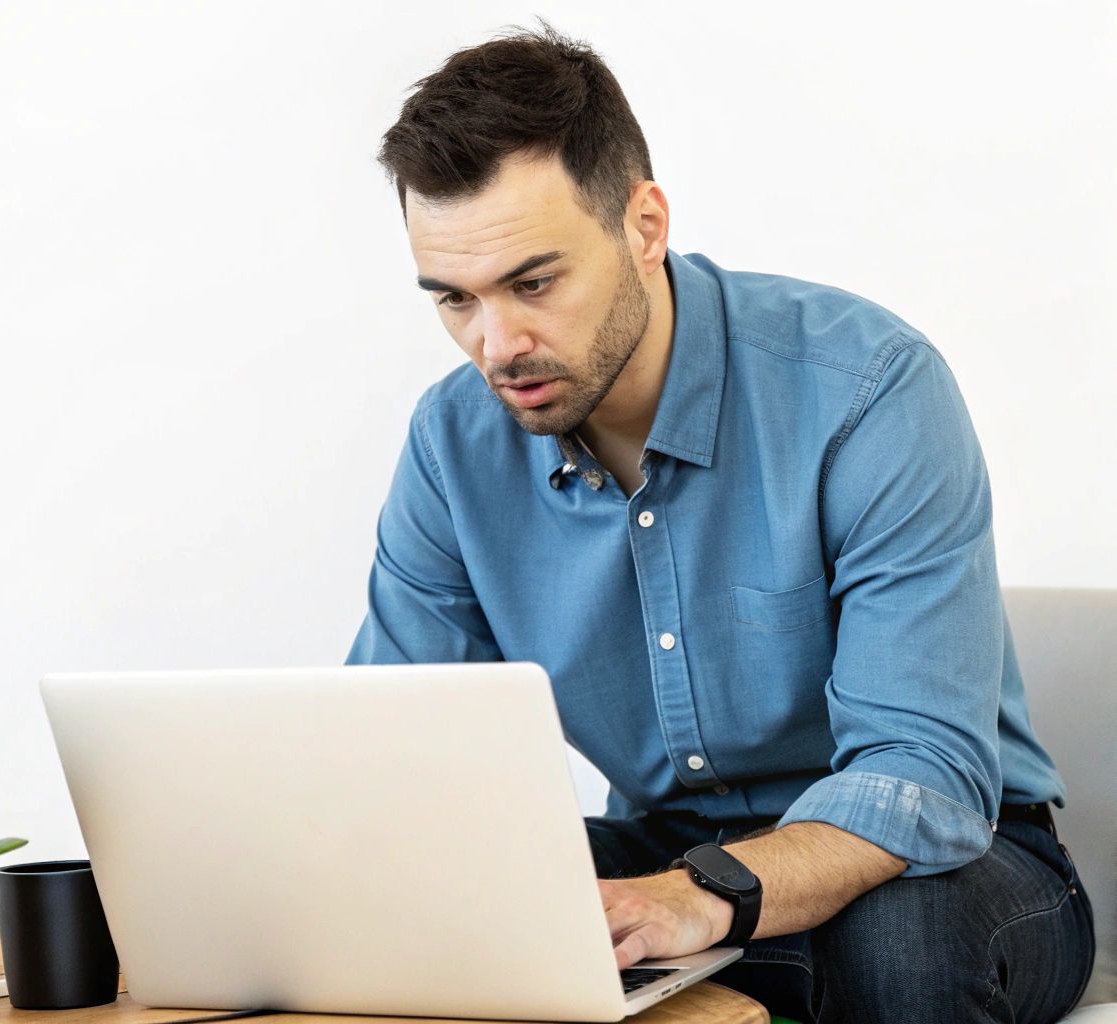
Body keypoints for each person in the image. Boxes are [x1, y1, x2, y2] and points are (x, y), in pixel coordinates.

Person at [345, 20, 1095, 1022]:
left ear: (642, 226)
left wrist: (706, 899)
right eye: (453, 299)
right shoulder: (453, 445)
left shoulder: (863, 388)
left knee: (896, 942)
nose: (496, 343)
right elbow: (386, 755)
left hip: (958, 860)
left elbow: (921, 770)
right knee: (422, 908)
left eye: (532, 283)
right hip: (674, 844)